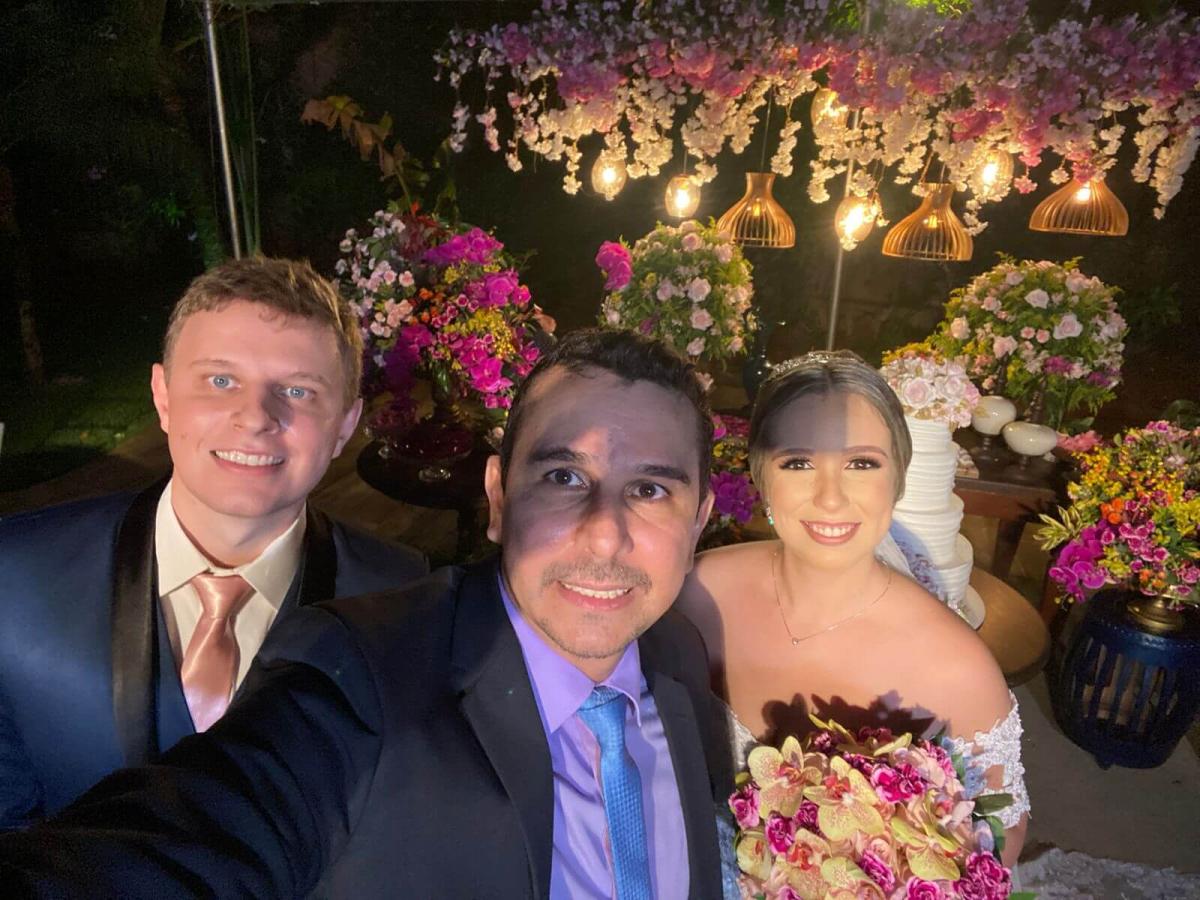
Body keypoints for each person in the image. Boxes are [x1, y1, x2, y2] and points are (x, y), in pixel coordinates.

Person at [0, 328, 733, 899]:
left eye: (650, 490)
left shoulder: (677, 656)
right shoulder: (357, 678)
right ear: (498, 498)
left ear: (699, 519)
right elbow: (189, 840)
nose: (604, 534)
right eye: (564, 476)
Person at [0, 257, 427, 828]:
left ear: (344, 427)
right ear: (163, 396)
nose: (255, 417)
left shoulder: (404, 600)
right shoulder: (14, 577)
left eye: (297, 390)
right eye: (220, 380)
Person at [677, 350, 1029, 868]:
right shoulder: (697, 593)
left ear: (898, 478)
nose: (831, 498)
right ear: (760, 476)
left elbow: (998, 845)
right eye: (798, 462)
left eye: (862, 463)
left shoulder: (957, 669)